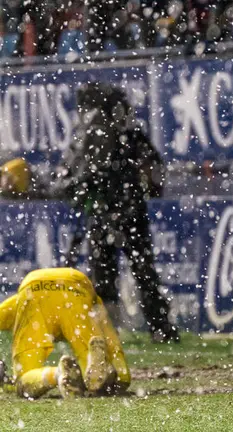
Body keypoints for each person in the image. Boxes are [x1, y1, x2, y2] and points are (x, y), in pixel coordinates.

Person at [73, 82, 178, 343]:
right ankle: (155, 327)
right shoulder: (124, 133)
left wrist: (84, 191)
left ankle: (111, 331)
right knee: (138, 273)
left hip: (112, 212)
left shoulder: (100, 135)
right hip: (125, 211)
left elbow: (80, 174)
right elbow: (153, 169)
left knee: (113, 274)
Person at [0, 267, 130, 398]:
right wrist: (122, 376)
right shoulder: (96, 300)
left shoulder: (18, 302)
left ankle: (56, 374)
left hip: (33, 287)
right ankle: (96, 369)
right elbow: (112, 340)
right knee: (95, 378)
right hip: (77, 286)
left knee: (23, 381)